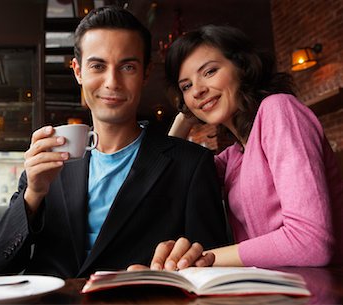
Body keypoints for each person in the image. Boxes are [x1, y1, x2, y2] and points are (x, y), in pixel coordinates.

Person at [0, 7, 229, 279]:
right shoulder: (49, 158)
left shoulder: (190, 165)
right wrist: (33, 196)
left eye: (128, 67)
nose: (112, 82)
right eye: (98, 66)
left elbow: (210, 267)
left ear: (146, 73)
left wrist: (184, 261)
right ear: (78, 71)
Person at [140, 24, 343, 270]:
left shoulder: (278, 110)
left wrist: (200, 261)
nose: (198, 90)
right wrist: (184, 117)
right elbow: (168, 176)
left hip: (323, 289)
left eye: (210, 71)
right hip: (271, 291)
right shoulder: (233, 157)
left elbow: (311, 242)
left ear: (242, 67)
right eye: (186, 86)